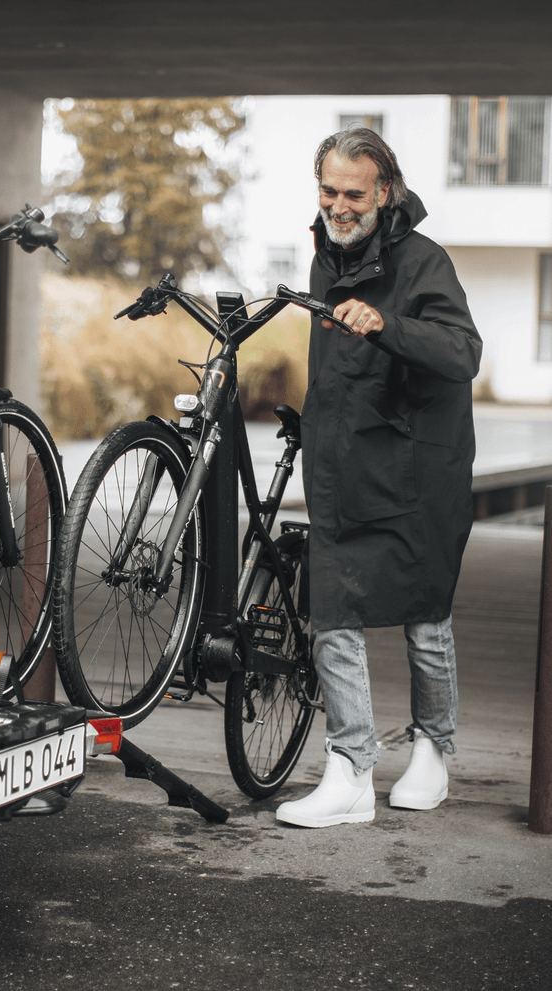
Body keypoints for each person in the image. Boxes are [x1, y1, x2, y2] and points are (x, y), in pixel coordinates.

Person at [275, 127, 483, 828]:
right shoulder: (320, 260)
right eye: (327, 191)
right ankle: (350, 770)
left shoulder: (424, 262)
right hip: (343, 463)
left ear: (383, 192)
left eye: (351, 193)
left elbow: (461, 352)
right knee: (330, 608)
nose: (337, 205)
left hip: (418, 468)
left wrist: (385, 322)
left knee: (424, 614)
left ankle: (434, 748)